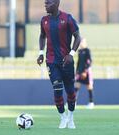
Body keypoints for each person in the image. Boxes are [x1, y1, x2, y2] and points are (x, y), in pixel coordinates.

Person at [37, 0, 81, 129]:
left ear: (56, 4)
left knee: (70, 91)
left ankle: (71, 117)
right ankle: (63, 118)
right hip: (51, 61)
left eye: (48, 3)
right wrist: (40, 53)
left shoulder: (67, 18)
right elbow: (42, 36)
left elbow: (77, 36)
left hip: (66, 61)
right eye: (45, 3)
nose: (45, 5)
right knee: (57, 89)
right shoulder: (44, 20)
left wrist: (71, 54)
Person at [75, 38, 94, 109]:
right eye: (80, 42)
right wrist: (77, 71)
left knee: (89, 86)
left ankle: (91, 103)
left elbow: (89, 61)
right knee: (76, 86)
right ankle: (73, 102)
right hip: (79, 72)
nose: (81, 43)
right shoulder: (79, 51)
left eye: (82, 42)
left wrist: (85, 71)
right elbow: (79, 62)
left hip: (86, 72)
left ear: (85, 43)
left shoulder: (87, 51)